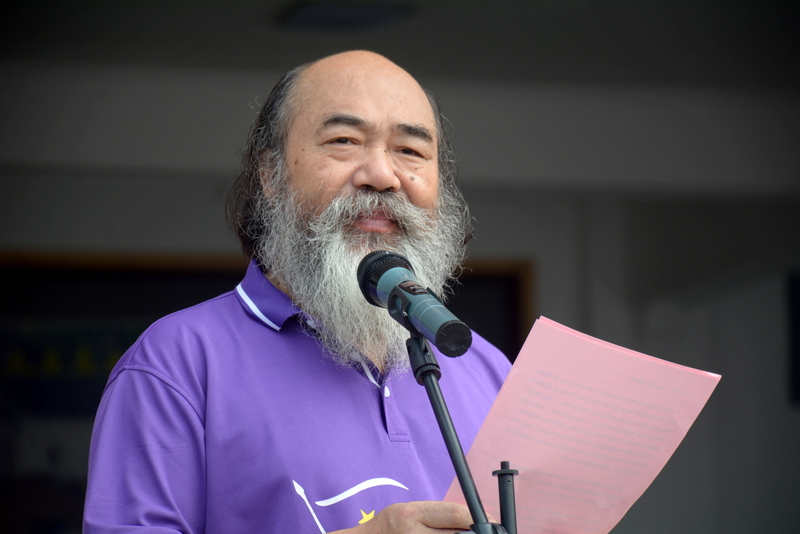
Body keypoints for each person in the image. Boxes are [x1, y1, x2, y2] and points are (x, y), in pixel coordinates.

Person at [83, 50, 511, 534]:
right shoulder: (178, 363)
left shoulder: (488, 370)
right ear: (270, 175)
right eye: (344, 141)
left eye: (410, 150)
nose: (382, 175)